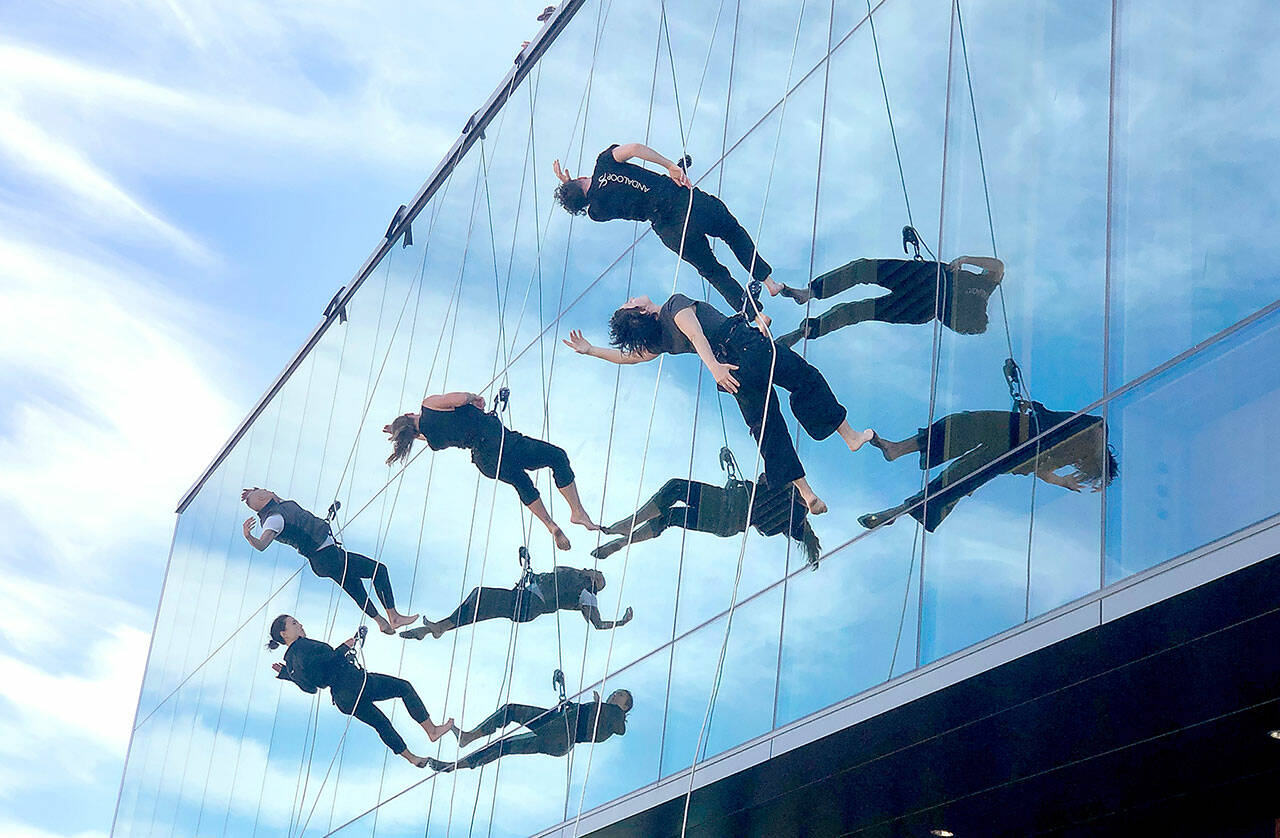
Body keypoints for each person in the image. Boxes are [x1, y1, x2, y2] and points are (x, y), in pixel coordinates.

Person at [564, 293, 874, 514]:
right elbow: (696, 332)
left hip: (732, 374)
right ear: (643, 312)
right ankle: (849, 436)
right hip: (745, 349)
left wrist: (591, 350)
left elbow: (626, 357)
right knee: (806, 379)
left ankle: (806, 492)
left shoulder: (658, 342)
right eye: (629, 303)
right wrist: (713, 366)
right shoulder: (674, 304)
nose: (631, 298)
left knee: (767, 428)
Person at [553, 143, 772, 327]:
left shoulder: (596, 212)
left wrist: (570, 188)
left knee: (712, 271)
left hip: (668, 228)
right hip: (681, 200)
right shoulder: (604, 162)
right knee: (732, 232)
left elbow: (589, 197)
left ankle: (757, 317)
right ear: (580, 177)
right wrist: (670, 166)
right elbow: (635, 149)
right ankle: (768, 281)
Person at [383, 391, 599, 550]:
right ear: (410, 414)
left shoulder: (433, 440)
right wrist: (472, 398)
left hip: (485, 461)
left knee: (522, 483)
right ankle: (577, 511)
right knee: (557, 456)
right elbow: (458, 400)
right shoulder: (428, 406)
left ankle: (550, 525)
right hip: (499, 441)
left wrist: (402, 433)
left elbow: (423, 435)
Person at [861, 402, 1119, 532]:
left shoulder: (1071, 454)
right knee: (959, 430)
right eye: (1085, 467)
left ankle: (896, 510)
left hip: (1012, 449)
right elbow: (1093, 428)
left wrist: (1061, 481)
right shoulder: (1094, 433)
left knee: (957, 477)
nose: (1077, 465)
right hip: (1017, 432)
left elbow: (1039, 469)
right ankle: (897, 449)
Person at [267, 615, 454, 767]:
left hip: (343, 700)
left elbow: (310, 688)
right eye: (293, 623)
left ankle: (412, 758)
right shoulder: (302, 646)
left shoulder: (290, 664)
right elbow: (324, 661)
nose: (300, 624)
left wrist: (286, 674)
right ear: (284, 634)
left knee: (381, 724)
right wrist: (344, 647)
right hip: (354, 682)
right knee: (403, 688)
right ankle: (432, 730)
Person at [241, 489, 417, 634]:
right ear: (264, 498)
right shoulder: (273, 519)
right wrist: (249, 537)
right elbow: (263, 544)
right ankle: (393, 616)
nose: (268, 490)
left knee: (354, 586)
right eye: (263, 491)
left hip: (323, 561)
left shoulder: (280, 505)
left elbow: (273, 497)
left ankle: (382, 623)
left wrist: (253, 494)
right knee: (378, 570)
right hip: (326, 556)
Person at [768, 256, 1004, 347]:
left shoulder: (976, 301)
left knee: (860, 294)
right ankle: (808, 303)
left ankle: (808, 320)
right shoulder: (986, 287)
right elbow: (998, 267)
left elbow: (997, 268)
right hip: (922, 287)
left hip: (923, 289)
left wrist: (964, 261)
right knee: (860, 282)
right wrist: (966, 260)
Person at [593, 474, 822, 566]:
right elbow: (800, 535)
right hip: (727, 527)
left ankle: (630, 522)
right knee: (670, 518)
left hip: (725, 504)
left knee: (677, 488)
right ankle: (624, 542)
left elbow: (767, 478)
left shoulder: (787, 492)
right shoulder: (790, 523)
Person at [399, 566, 633, 639]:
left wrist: (621, 623)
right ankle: (437, 629)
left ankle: (440, 627)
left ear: (596, 584)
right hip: (526, 598)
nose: (595, 571)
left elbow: (598, 624)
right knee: (479, 604)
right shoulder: (573, 574)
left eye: (598, 576)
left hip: (531, 605)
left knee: (481, 598)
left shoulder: (586, 594)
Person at [425, 688, 632, 772]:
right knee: (505, 741)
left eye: (620, 695)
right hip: (557, 731)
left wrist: (602, 707)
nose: (615, 694)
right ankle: (456, 760)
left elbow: (620, 729)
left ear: (625, 707)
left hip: (561, 733)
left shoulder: (614, 716)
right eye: (616, 692)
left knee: (511, 714)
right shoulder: (601, 711)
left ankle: (465, 744)